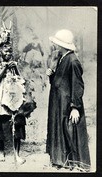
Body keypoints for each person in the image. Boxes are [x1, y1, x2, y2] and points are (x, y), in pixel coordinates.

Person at [46, 29, 91, 171]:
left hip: (67, 103)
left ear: (62, 45)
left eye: (57, 44)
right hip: (59, 103)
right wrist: (51, 75)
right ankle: (61, 161)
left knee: (70, 131)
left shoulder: (72, 61)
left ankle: (75, 163)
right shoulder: (62, 58)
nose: (55, 46)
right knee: (60, 130)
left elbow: (77, 85)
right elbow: (59, 81)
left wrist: (75, 107)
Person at [0, 23, 26, 165]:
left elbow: (21, 80)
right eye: (6, 51)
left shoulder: (14, 63)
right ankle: (1, 151)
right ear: (0, 52)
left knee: (17, 124)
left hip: (14, 97)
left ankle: (17, 153)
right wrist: (4, 69)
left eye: (10, 51)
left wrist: (15, 69)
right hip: (1, 98)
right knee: (0, 125)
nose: (8, 54)